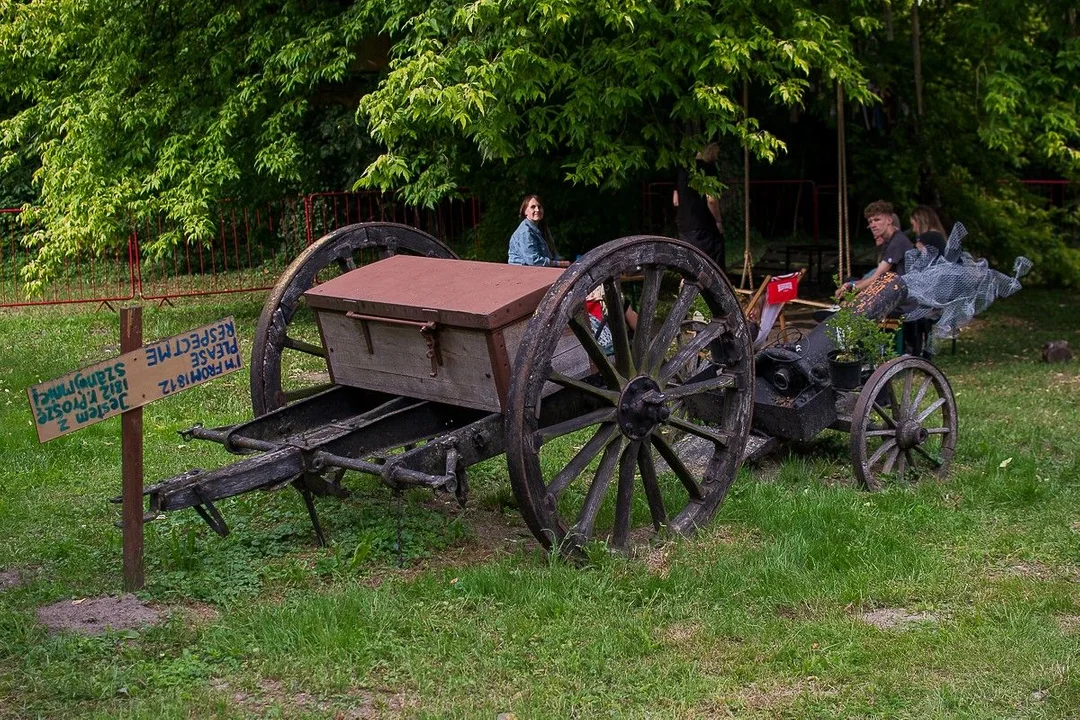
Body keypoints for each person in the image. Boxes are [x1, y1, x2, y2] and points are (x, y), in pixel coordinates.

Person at [834, 200, 913, 300]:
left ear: (889, 220)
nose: (873, 225)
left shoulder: (897, 241)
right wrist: (851, 284)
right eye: (870, 221)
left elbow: (877, 278)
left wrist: (851, 290)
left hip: (905, 300)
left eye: (877, 220)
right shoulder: (889, 242)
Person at [673, 143, 725, 271]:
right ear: (711, 150)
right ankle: (716, 289)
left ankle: (687, 287)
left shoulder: (683, 170)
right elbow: (711, 200)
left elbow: (675, 201)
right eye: (716, 152)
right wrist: (718, 221)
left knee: (690, 263)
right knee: (714, 260)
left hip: (684, 225)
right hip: (703, 225)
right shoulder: (708, 169)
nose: (717, 156)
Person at [508, 195, 570, 268]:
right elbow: (533, 261)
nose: (537, 210)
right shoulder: (525, 232)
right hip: (523, 273)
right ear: (525, 211)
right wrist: (559, 264)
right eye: (533, 207)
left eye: (539, 207)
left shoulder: (542, 228)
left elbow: (552, 255)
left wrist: (565, 263)